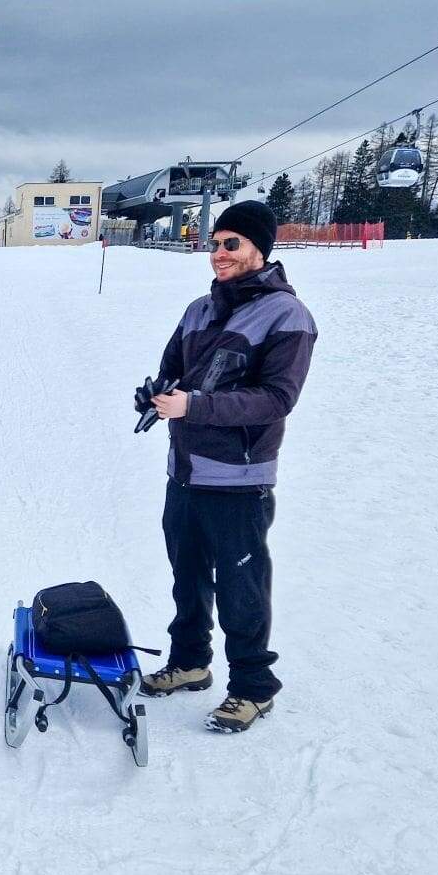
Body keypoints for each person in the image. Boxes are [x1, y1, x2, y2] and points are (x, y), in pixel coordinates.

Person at [139, 199, 316, 733]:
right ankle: (191, 663)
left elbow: (275, 399)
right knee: (187, 576)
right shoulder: (199, 309)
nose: (218, 253)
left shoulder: (288, 316)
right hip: (186, 471)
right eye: (214, 243)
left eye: (231, 243)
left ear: (260, 248)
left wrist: (194, 406)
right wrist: (154, 394)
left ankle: (254, 687)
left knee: (241, 586)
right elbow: (172, 371)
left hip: (240, 479)